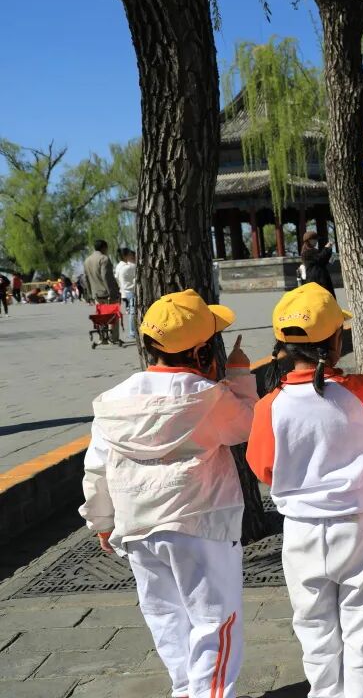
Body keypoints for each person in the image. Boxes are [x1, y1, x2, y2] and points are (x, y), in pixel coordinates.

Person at [79, 289, 256, 698]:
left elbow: (97, 466)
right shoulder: (209, 396)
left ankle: (185, 689)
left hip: (136, 525)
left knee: (164, 615)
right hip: (200, 522)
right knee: (214, 620)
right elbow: (246, 425)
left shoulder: (113, 401)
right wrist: (240, 375)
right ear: (199, 352)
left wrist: (102, 521)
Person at [247, 283, 363, 698]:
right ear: (336, 342)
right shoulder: (357, 391)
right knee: (362, 623)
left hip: (301, 529)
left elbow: (263, 467)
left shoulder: (269, 405)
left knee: (314, 627)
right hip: (359, 524)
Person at [85, 239, 121, 342]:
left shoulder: (87, 260)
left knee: (101, 316)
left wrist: (89, 294)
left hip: (96, 293)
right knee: (113, 315)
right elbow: (106, 277)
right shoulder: (104, 259)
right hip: (107, 293)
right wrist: (113, 292)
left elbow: (86, 278)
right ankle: (113, 338)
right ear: (104, 247)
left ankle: (103, 337)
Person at [301, 231, 336, 298]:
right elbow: (320, 259)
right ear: (309, 240)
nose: (316, 241)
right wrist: (326, 248)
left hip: (321, 277)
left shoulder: (314, 250)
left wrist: (329, 250)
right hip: (315, 280)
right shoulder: (306, 252)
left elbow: (323, 261)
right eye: (314, 239)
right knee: (320, 298)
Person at [115, 249, 137, 339]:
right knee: (133, 312)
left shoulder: (119, 266)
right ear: (126, 256)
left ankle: (133, 331)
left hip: (124, 291)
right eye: (131, 255)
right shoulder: (130, 266)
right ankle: (132, 332)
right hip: (131, 290)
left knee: (131, 311)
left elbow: (116, 277)